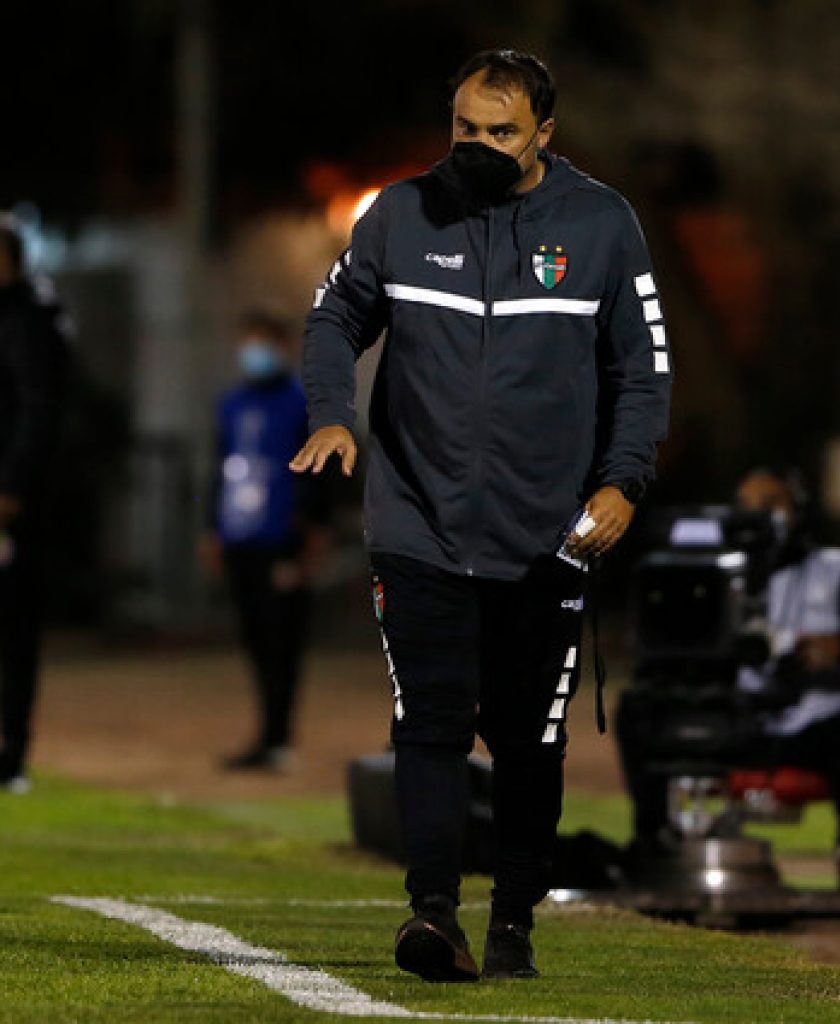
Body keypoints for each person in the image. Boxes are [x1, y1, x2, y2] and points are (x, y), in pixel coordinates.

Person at [291, 50, 672, 981]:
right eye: (466, 128)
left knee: (528, 737)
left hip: (552, 534)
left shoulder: (602, 224)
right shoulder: (399, 213)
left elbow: (643, 369)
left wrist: (622, 482)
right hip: (417, 521)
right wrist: (334, 414)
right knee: (429, 719)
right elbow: (334, 320)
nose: (480, 146)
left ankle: (513, 923)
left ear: (545, 133)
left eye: (502, 133)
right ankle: (432, 917)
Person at [618, 467, 840, 891]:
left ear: (798, 511)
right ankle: (654, 840)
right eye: (748, 507)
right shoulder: (711, 573)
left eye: (772, 505)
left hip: (815, 726)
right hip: (738, 724)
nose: (760, 518)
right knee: (640, 711)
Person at [201, 309, 333, 772]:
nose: (253, 352)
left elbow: (324, 474)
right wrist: (211, 528)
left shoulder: (303, 404)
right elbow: (219, 466)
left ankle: (278, 736)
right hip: (241, 536)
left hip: (283, 539)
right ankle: (267, 733)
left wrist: (313, 530)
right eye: (248, 341)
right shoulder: (232, 403)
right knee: (255, 638)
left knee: (283, 640)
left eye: (263, 342)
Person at [0, 215, 68, 793]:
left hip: (13, 504)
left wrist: (12, 488)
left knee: (14, 631)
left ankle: (11, 754)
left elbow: (34, 411)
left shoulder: (28, 323)